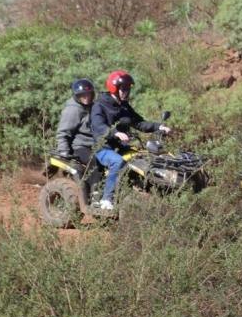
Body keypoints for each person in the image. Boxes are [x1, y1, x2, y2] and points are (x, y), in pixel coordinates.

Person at [88, 70, 163, 212]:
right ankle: (106, 199)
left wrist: (158, 126)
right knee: (117, 161)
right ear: (114, 88)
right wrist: (115, 133)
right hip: (103, 148)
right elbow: (99, 126)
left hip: (121, 147)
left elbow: (139, 123)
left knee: (144, 158)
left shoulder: (124, 106)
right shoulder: (99, 105)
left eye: (128, 88)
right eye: (123, 88)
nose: (126, 91)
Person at [54, 78, 95, 166]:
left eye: (89, 94)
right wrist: (63, 151)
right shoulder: (73, 109)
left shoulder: (92, 107)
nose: (86, 97)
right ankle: (94, 180)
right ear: (77, 95)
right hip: (79, 146)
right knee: (94, 163)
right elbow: (63, 133)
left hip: (93, 145)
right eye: (83, 95)